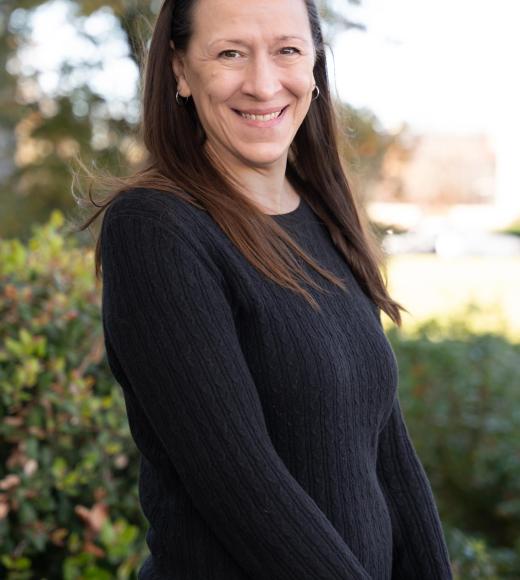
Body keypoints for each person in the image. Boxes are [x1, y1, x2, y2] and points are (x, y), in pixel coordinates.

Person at [79, 0, 454, 577]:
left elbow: (386, 451)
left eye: (287, 51)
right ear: (180, 69)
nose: (262, 83)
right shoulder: (156, 228)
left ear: (314, 68)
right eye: (230, 53)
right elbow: (238, 483)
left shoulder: (325, 218)